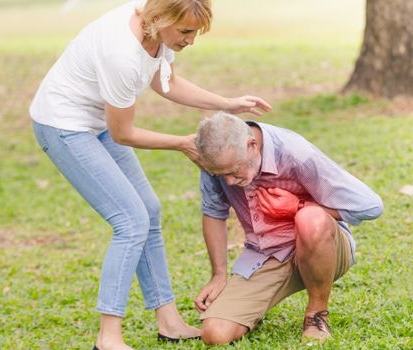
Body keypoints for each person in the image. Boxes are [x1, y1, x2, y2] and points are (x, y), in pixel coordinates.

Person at [29, 1, 271, 349]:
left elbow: (166, 82)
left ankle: (169, 321)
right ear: (161, 19)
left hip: (96, 123)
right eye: (186, 32)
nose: (190, 41)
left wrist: (227, 103)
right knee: (130, 221)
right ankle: (108, 337)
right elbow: (123, 133)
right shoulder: (122, 54)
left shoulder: (154, 31)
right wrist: (183, 143)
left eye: (195, 32)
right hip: (63, 125)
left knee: (149, 210)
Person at [192, 112, 383, 344]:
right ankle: (253, 307)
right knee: (215, 334)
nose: (229, 181)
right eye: (221, 175)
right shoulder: (216, 160)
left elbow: (370, 206)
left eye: (235, 171)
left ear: (252, 145)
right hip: (266, 256)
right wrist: (218, 275)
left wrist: (297, 205)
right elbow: (213, 211)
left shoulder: (295, 152)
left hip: (323, 246)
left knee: (310, 218)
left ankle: (316, 316)